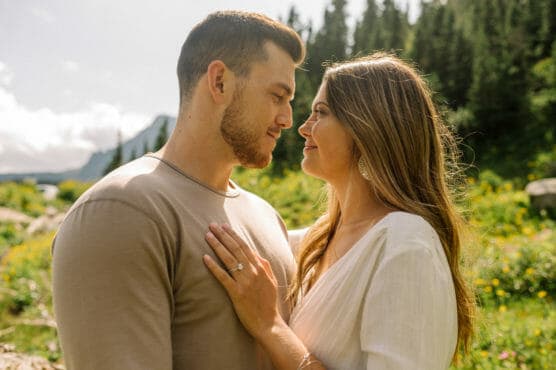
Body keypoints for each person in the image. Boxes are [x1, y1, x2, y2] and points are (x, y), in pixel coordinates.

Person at [52, 11, 305, 369]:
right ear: (219, 82)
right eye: (277, 96)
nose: (287, 119)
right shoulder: (121, 210)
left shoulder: (268, 217)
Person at [203, 53, 476, 370]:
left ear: (369, 128)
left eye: (321, 112)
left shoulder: (406, 245)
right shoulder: (315, 239)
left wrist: (271, 326)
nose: (304, 128)